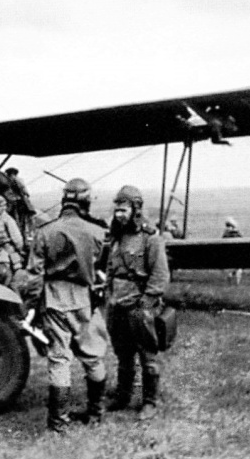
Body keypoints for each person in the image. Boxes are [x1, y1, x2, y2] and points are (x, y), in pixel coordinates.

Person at [26, 178, 107, 432]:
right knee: (93, 355)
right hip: (84, 299)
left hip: (54, 299)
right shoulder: (97, 232)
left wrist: (31, 306)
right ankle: (96, 413)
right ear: (86, 202)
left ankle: (58, 423)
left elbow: (34, 276)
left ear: (63, 201)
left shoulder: (44, 232)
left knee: (59, 360)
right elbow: (100, 269)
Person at [104, 185, 170, 421]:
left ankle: (150, 402)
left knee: (147, 356)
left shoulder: (151, 238)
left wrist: (147, 302)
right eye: (117, 210)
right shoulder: (117, 237)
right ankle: (123, 396)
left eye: (124, 210)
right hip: (117, 304)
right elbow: (111, 269)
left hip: (139, 306)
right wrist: (108, 295)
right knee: (123, 355)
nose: (119, 214)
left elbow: (160, 275)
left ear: (136, 209)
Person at [0, 195, 25, 286]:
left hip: (8, 250)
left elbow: (17, 239)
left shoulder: (8, 220)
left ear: (4, 207)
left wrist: (19, 250)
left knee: (10, 277)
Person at [222, 217, 243, 285]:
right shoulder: (238, 234)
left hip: (227, 257)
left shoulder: (225, 235)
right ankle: (236, 273)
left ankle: (230, 274)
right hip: (238, 257)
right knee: (240, 265)